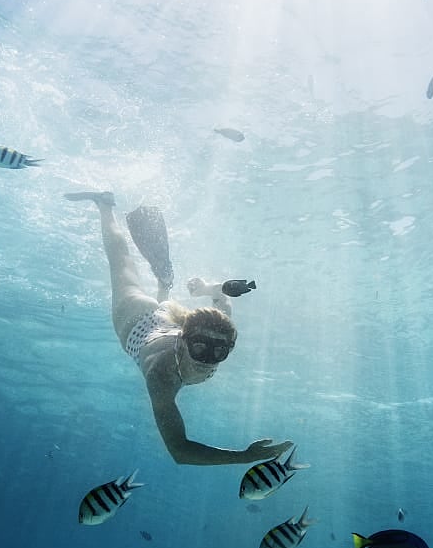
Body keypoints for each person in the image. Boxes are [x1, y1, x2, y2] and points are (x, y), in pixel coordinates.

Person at [64, 190, 293, 465]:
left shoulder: (217, 330)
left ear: (229, 347)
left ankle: (165, 283)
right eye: (200, 348)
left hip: (176, 324)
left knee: (219, 311)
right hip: (137, 322)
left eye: (219, 352)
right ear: (183, 341)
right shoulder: (161, 376)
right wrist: (243, 457)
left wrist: (210, 289)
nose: (209, 360)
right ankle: (104, 205)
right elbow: (179, 451)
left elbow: (224, 305)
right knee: (121, 264)